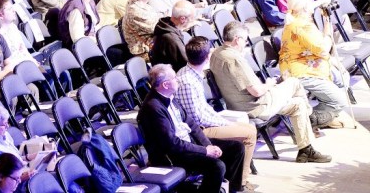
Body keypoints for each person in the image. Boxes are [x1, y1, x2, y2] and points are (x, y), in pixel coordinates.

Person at [210, 21, 331, 163]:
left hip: (240, 104)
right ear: (237, 39)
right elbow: (256, 91)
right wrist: (270, 83)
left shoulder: (216, 53)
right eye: (245, 39)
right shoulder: (235, 59)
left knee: (298, 104)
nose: (245, 43)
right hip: (255, 106)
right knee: (294, 82)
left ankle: (305, 150)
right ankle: (311, 118)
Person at [137, 64, 245, 193]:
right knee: (216, 166)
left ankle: (229, 190)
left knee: (236, 148)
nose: (178, 80)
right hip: (172, 155)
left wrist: (208, 146)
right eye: (175, 78)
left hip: (186, 144)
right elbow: (172, 144)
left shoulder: (169, 96)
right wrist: (205, 151)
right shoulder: (153, 108)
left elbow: (191, 124)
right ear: (165, 85)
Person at [174, 37, 258, 190]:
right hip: (198, 130)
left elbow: (204, 108)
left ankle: (236, 179)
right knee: (250, 135)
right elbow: (197, 118)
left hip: (205, 122)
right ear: (207, 58)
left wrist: (222, 119)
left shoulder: (192, 74)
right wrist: (224, 122)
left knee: (250, 128)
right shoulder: (187, 81)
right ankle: (240, 183)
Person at [278, 0, 353, 129]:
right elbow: (323, 48)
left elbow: (320, 46)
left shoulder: (301, 21)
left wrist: (326, 22)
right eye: (311, 1)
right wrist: (329, 37)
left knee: (343, 77)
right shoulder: (301, 26)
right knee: (340, 101)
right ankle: (308, 120)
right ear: (306, 7)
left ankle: (329, 116)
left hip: (311, 62)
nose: (313, 4)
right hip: (301, 70)